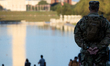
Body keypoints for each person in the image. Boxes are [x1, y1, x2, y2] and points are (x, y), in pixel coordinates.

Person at [74, 1, 110, 66]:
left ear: (89, 8)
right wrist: (99, 47)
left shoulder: (82, 21)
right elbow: (108, 36)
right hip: (101, 53)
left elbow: (77, 36)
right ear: (98, 8)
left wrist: (87, 47)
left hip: (86, 53)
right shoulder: (104, 21)